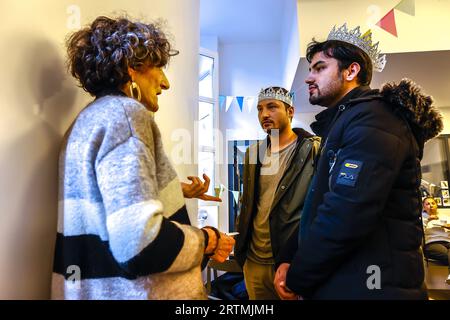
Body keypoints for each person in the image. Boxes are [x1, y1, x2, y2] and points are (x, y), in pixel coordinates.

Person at [52, 16, 234, 300]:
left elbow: (107, 213)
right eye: (159, 67)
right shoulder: (126, 115)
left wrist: (172, 192)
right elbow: (140, 246)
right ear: (131, 67)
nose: (166, 83)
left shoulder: (85, 123)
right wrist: (207, 239)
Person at [274, 23, 443, 299]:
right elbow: (320, 205)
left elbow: (346, 213)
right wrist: (288, 256)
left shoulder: (375, 119)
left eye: (319, 68)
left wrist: (298, 276)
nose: (308, 77)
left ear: (351, 71)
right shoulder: (346, 122)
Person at [234, 86, 320, 299]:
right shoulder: (253, 153)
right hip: (253, 261)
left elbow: (321, 205)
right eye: (260, 109)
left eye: (272, 107)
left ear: (290, 111)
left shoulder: (313, 150)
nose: (264, 114)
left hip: (290, 260)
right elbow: (248, 202)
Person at [422, 196, 450, 284]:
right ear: (424, 207)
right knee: (445, 253)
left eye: (433, 203)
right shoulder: (422, 218)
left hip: (447, 241)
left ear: (436, 205)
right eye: (428, 204)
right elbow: (418, 231)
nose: (431, 205)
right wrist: (427, 220)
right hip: (432, 243)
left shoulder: (445, 216)